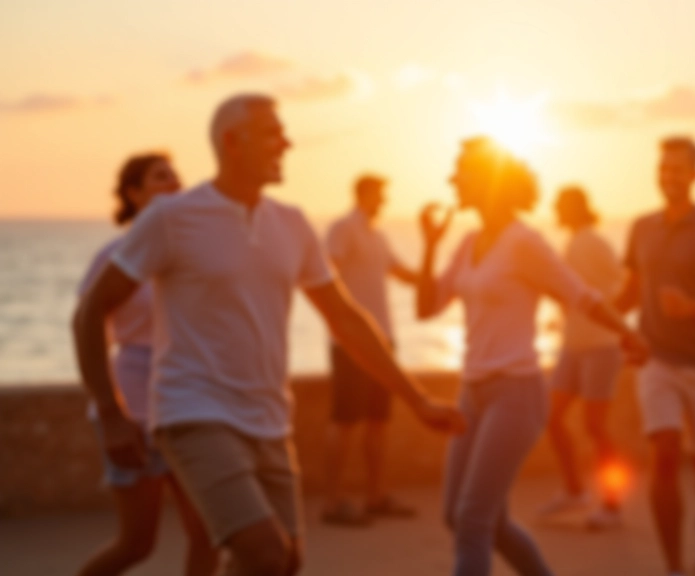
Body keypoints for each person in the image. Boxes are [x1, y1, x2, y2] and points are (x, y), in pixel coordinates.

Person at [73, 94, 464, 576]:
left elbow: (345, 318)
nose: (288, 143)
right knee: (263, 552)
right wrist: (111, 413)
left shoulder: (292, 224)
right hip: (192, 412)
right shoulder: (172, 219)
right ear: (233, 142)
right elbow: (90, 312)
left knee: (284, 562)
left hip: (269, 421)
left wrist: (417, 398)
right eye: (273, 134)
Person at [416, 137, 647, 576]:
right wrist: (429, 246)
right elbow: (426, 307)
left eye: (459, 171)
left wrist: (626, 333)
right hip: (472, 393)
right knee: (468, 517)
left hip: (516, 393)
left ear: (487, 179)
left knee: (473, 521)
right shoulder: (468, 243)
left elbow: (579, 293)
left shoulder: (523, 241)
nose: (451, 180)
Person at [76, 153, 219, 576]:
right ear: (133, 194)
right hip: (135, 410)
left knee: (208, 532)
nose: (174, 182)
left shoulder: (192, 253)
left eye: (176, 174)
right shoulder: (115, 256)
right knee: (137, 544)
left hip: (188, 404)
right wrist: (111, 413)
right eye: (160, 177)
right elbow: (87, 325)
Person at [616, 136, 695, 576]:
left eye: (678, 169)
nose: (669, 176)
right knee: (664, 452)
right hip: (656, 359)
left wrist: (691, 306)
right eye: (663, 167)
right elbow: (632, 293)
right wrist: (597, 316)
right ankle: (673, 567)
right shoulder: (641, 228)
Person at [321, 174, 421, 526]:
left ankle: (375, 496)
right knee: (345, 421)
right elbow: (323, 272)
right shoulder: (342, 229)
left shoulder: (378, 236)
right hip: (349, 342)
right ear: (363, 193)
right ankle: (331, 502)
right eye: (380, 194)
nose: (384, 200)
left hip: (383, 339)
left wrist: (436, 258)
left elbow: (404, 274)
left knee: (379, 421)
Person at [537, 186, 628, 530]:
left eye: (559, 205)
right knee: (553, 415)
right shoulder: (575, 241)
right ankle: (575, 490)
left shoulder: (592, 241)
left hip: (601, 346)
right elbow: (572, 290)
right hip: (573, 346)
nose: (555, 210)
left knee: (595, 426)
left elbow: (619, 282)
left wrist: (616, 324)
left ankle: (612, 503)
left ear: (574, 208)